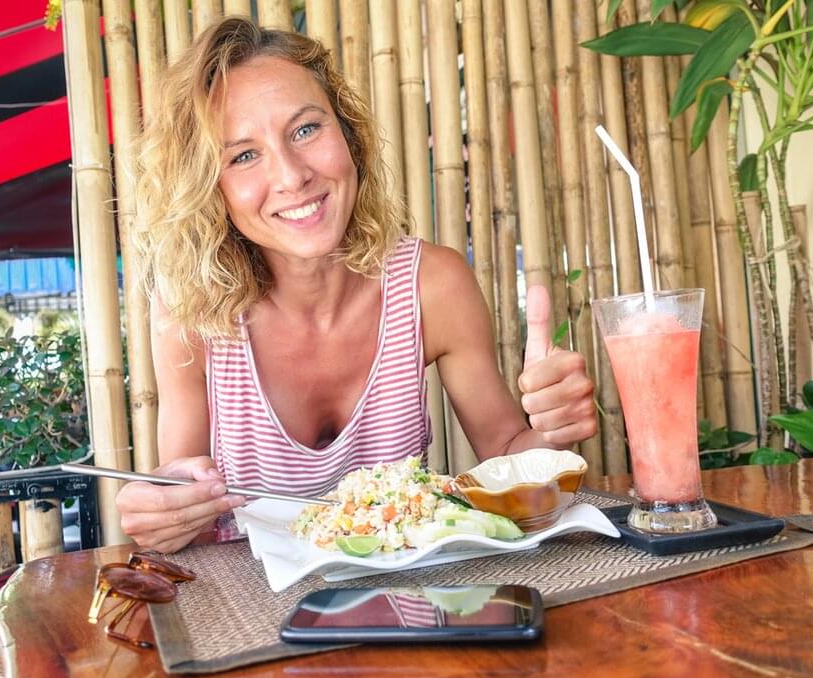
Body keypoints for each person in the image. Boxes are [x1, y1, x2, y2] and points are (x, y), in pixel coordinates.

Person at [117, 17, 597, 553]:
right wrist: (163, 513)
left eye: (305, 130)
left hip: (414, 594)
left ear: (348, 134)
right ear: (210, 186)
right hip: (251, 598)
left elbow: (510, 455)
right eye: (243, 155)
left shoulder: (432, 286)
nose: (292, 176)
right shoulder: (191, 312)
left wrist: (552, 434)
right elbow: (181, 504)